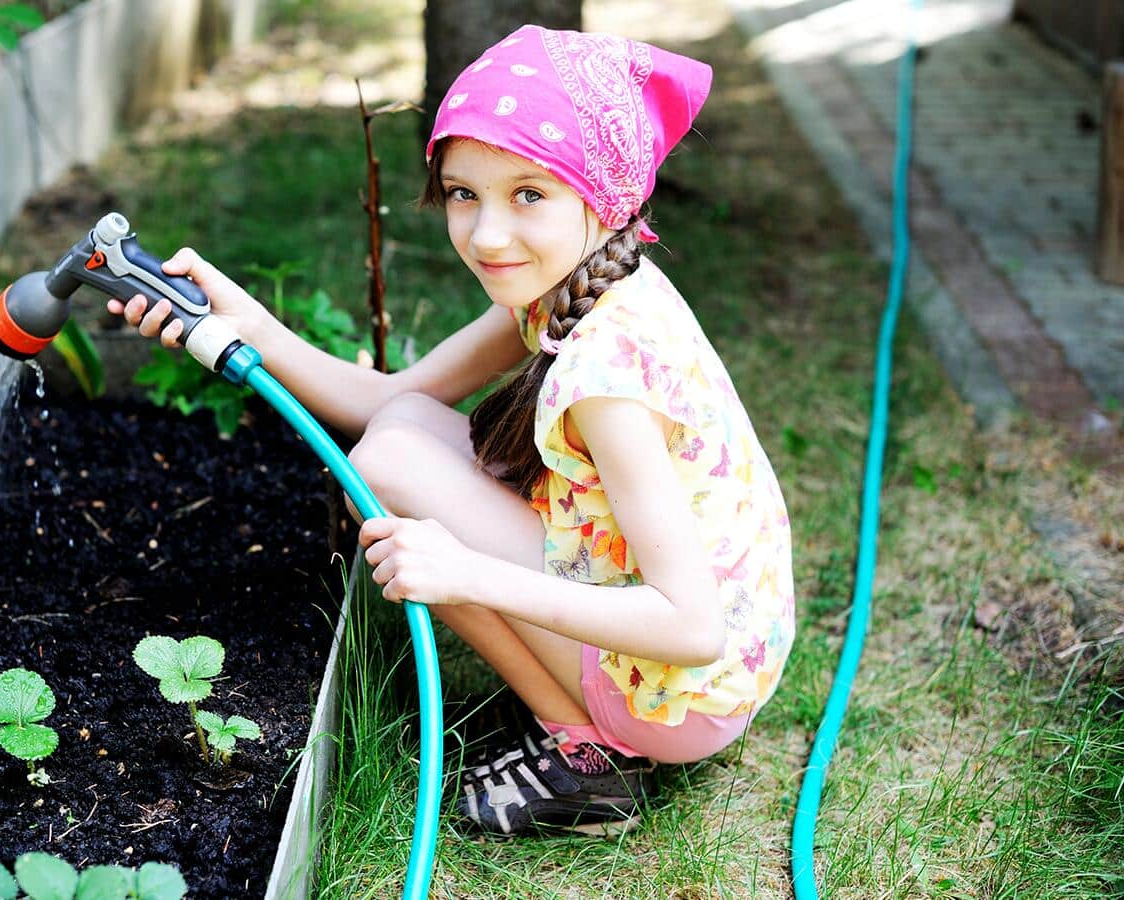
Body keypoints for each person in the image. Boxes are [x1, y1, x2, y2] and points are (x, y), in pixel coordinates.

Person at [109, 24, 794, 837]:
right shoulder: (582, 279)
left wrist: (466, 574)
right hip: (711, 654)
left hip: (684, 695)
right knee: (397, 433)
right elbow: (386, 398)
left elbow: (690, 626)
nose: (487, 234)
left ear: (602, 194)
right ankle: (580, 719)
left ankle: (588, 757)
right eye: (465, 194)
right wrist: (243, 321)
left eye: (528, 195)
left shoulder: (606, 377)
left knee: (393, 466)